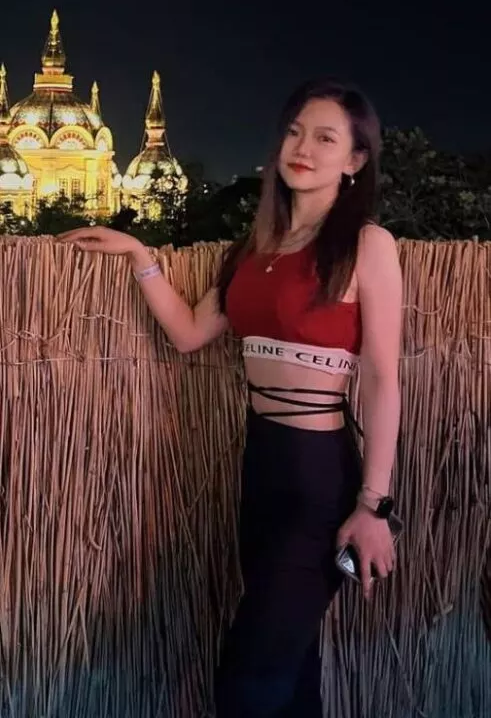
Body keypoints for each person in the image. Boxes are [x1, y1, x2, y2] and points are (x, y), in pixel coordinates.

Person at [58, 77, 402, 717]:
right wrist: (139, 254)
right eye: (294, 132)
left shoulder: (365, 245)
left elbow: (383, 377)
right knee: (291, 669)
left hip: (319, 479)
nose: (302, 148)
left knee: (249, 679)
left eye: (325, 138)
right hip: (261, 466)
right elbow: (190, 334)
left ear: (355, 160)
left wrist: (374, 506)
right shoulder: (256, 249)